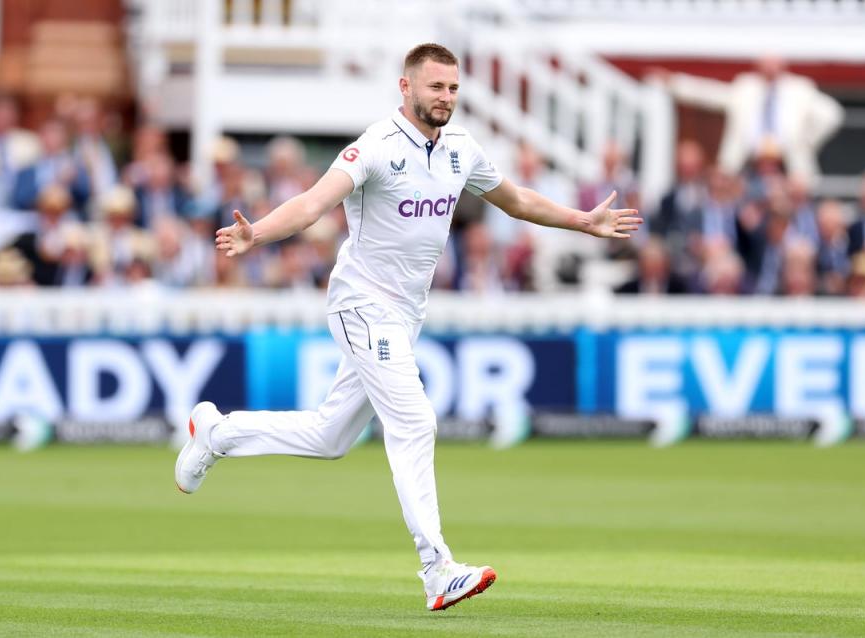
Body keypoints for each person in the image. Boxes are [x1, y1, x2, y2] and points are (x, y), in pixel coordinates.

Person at [173, 43, 641, 612]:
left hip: (404, 314)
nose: (445, 98)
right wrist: (258, 234)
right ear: (406, 88)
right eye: (435, 87)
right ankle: (436, 567)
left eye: (453, 89)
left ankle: (217, 433)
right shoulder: (375, 146)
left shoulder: (461, 149)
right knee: (415, 420)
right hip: (361, 303)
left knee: (331, 437)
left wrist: (582, 221)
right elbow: (313, 202)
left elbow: (515, 201)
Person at [656, 55, 843, 185]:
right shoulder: (746, 87)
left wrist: (802, 142)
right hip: (748, 167)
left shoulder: (799, 89)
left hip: (788, 168)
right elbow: (711, 94)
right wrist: (674, 82)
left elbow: (831, 114)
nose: (770, 67)